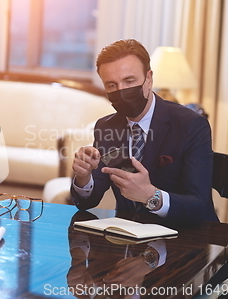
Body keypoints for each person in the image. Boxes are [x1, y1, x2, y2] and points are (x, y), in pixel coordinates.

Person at [70, 39, 218, 225]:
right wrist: (83, 177)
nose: (122, 91)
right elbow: (87, 202)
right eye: (112, 85)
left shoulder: (191, 124)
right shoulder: (106, 127)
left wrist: (150, 195)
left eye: (129, 81)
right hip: (128, 237)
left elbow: (198, 206)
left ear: (148, 79)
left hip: (185, 235)